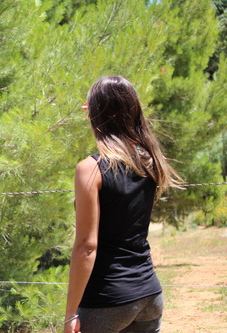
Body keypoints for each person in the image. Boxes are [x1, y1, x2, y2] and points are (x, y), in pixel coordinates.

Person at [63, 76, 182, 333]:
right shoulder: (148, 159)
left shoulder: (90, 169)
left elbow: (86, 247)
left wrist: (71, 311)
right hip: (149, 294)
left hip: (107, 300)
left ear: (96, 114)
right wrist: (101, 110)